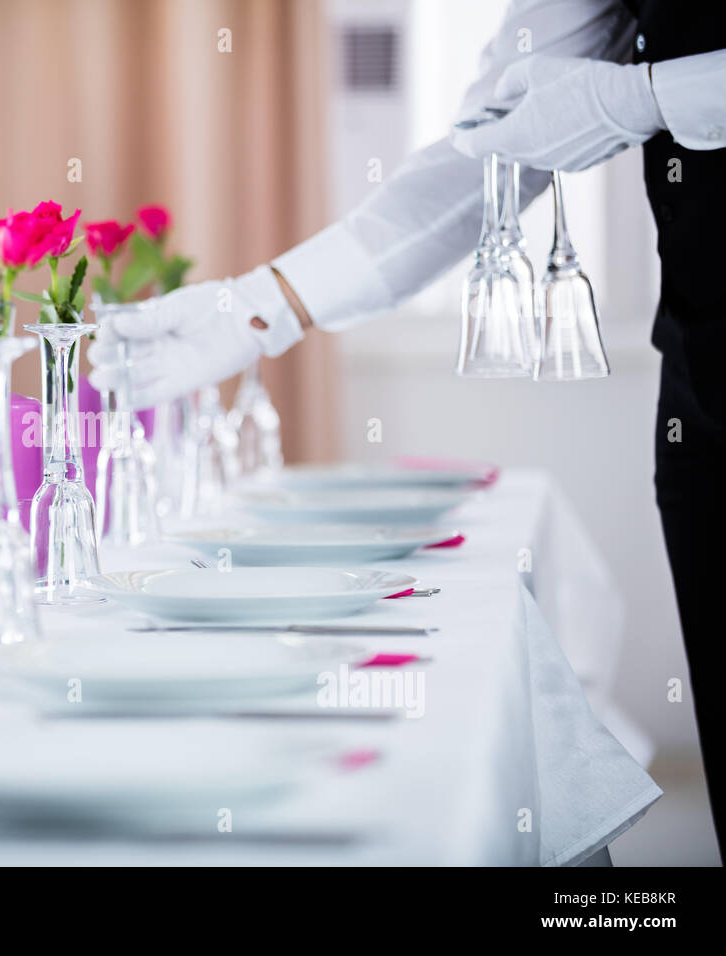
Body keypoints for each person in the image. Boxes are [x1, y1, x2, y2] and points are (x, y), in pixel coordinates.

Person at [88, 0, 726, 855]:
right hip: (710, 390)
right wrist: (259, 307)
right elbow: (484, 155)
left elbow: (611, 104)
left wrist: (643, 100)